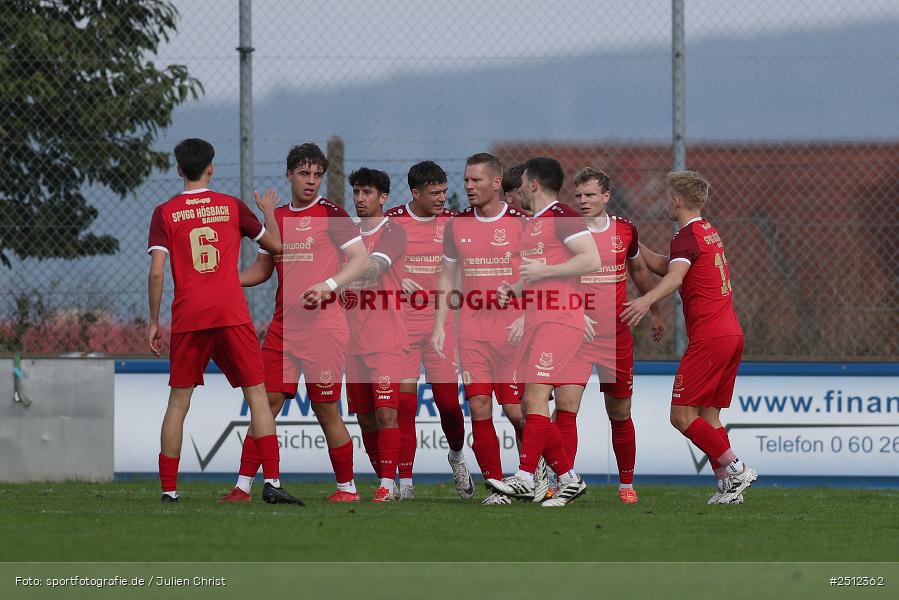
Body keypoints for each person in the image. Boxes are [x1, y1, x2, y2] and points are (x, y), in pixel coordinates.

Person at [147, 138, 301, 505]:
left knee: (178, 403)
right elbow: (277, 246)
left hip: (188, 315)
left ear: (180, 169)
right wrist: (267, 212)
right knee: (258, 397)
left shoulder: (164, 212)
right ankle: (273, 482)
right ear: (212, 167)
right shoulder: (231, 206)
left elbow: (156, 273)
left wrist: (153, 321)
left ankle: (169, 491)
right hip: (230, 312)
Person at [219, 143, 369, 503]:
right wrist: (221, 280)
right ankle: (242, 487)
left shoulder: (332, 214)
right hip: (283, 330)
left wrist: (329, 285)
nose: (311, 181)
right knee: (265, 404)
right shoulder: (278, 217)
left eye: (317, 174)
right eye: (304, 173)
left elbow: (361, 260)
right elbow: (261, 270)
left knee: (324, 408)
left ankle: (347, 489)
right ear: (289, 174)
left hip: (324, 329)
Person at [621, 170, 757, 504]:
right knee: (709, 418)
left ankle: (737, 469)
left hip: (710, 337)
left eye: (668, 196)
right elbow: (670, 266)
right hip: (730, 334)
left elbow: (676, 277)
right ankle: (729, 486)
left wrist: (646, 299)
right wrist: (635, 247)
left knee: (681, 416)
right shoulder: (707, 231)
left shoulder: (685, 238)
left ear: (676, 200)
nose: (666, 201)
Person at [487, 157, 600, 507]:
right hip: (538, 320)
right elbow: (537, 272)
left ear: (533, 185)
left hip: (560, 321)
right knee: (528, 403)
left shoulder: (562, 216)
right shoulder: (533, 223)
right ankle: (568, 478)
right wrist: (516, 287)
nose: (516, 191)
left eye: (520, 185)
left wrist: (544, 271)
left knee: (535, 398)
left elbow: (590, 259)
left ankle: (524, 476)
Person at [553, 167, 664, 504]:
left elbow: (639, 269)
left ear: (606, 196)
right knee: (566, 408)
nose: (583, 201)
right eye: (578, 195)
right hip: (574, 336)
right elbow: (552, 279)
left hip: (614, 337)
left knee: (619, 413)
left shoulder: (624, 231)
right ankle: (565, 482)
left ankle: (626, 484)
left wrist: (654, 309)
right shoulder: (565, 232)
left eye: (590, 195)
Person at [433, 153, 527, 506]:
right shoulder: (456, 225)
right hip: (472, 331)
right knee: (479, 407)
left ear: (496, 183)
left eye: (476, 181)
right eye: (466, 180)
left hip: (513, 332)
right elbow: (446, 277)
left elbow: (539, 274)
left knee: (518, 411)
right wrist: (441, 325)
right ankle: (496, 487)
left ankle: (535, 473)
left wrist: (525, 316)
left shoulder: (522, 223)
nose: (468, 187)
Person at [384, 161, 472, 500]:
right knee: (404, 404)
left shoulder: (452, 222)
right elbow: (368, 263)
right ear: (415, 193)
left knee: (449, 404)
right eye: (434, 193)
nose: (441, 198)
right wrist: (392, 280)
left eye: (444, 192)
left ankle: (457, 456)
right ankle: (405, 483)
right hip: (401, 328)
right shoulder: (392, 221)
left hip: (441, 328)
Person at [344, 167, 410, 502]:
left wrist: (332, 279)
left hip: (385, 337)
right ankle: (388, 481)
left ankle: (387, 483)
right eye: (356, 192)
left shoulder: (393, 232)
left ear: (383, 198)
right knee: (367, 419)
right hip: (350, 341)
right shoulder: (346, 234)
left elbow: (375, 266)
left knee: (387, 413)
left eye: (367, 192)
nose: (359, 198)